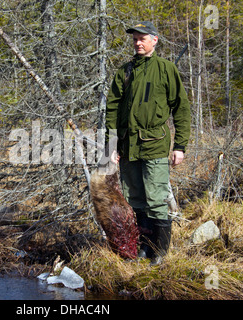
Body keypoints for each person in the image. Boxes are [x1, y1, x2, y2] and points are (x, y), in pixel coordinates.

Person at [105, 21, 191, 265]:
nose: (138, 42)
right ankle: (144, 248)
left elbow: (181, 109)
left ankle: (159, 253)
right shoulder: (124, 71)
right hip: (128, 147)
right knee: (135, 201)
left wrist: (180, 146)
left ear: (155, 40)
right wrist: (111, 146)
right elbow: (112, 109)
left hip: (155, 144)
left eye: (142, 38)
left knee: (155, 200)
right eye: (134, 39)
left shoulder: (165, 69)